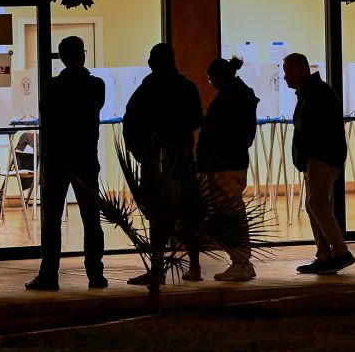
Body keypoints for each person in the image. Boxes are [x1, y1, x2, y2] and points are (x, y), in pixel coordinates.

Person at [25, 36, 107, 291]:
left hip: (57, 158)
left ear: (61, 57)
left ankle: (49, 274)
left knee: (52, 219)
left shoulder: (51, 87)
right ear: (82, 55)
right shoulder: (96, 86)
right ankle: (95, 274)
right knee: (91, 218)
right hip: (85, 157)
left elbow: (47, 118)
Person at [122, 43, 204, 284]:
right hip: (182, 160)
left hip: (155, 162)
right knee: (188, 215)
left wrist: (140, 152)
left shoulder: (147, 88)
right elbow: (196, 118)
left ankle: (158, 270)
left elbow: (131, 121)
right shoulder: (187, 86)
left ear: (152, 63)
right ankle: (195, 268)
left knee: (158, 216)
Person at [283, 53, 355, 274]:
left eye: (287, 71)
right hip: (316, 158)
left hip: (322, 157)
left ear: (300, 70)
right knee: (314, 204)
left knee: (316, 203)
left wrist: (310, 155)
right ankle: (324, 256)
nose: (284, 77)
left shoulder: (317, 93)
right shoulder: (310, 92)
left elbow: (314, 130)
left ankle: (340, 252)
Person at [196, 56, 260, 280]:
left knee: (230, 213)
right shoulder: (240, 96)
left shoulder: (230, 99)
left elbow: (219, 133)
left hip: (225, 163)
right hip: (233, 161)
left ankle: (241, 262)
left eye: (211, 79)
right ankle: (241, 261)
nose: (211, 83)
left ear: (219, 77)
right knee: (232, 212)